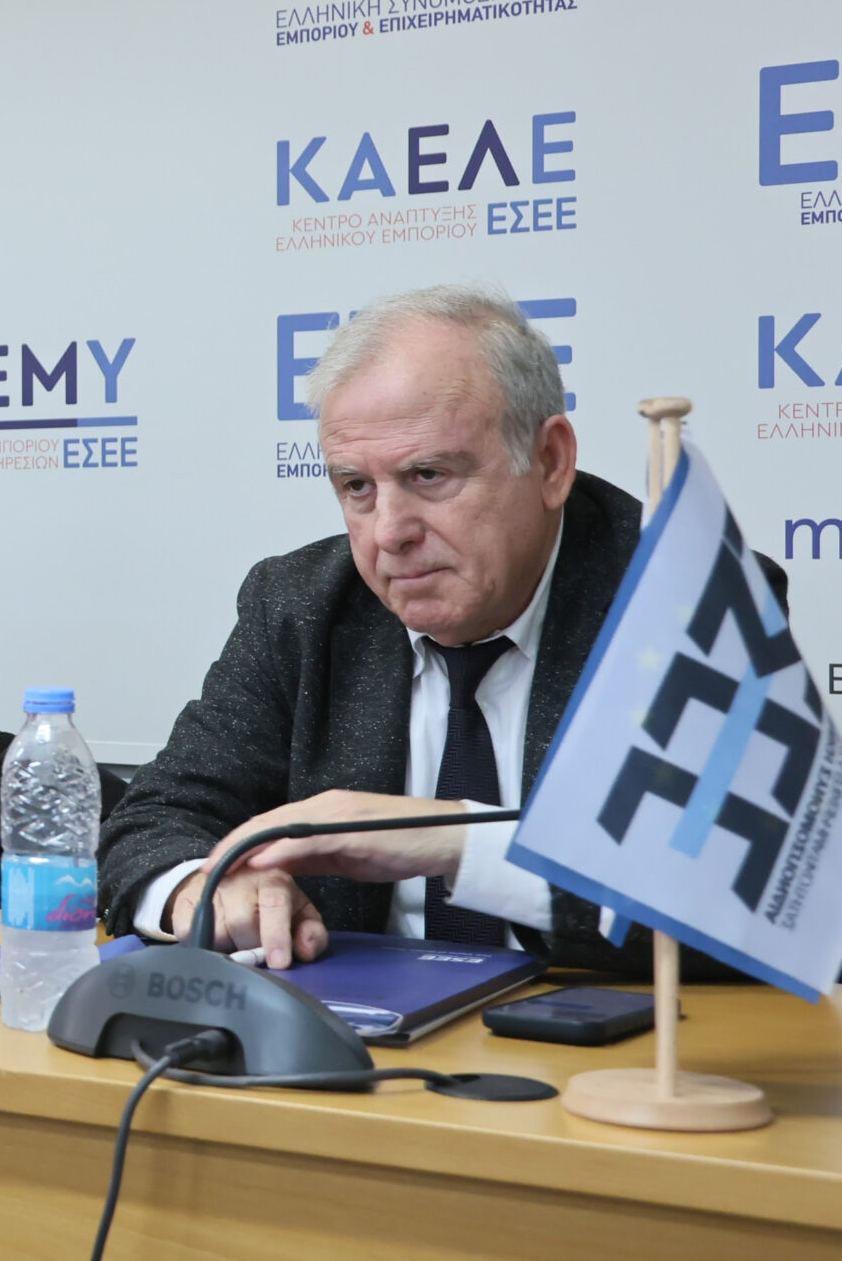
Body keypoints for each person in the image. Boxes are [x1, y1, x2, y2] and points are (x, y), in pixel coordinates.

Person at [101, 283, 784, 975]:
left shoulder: (683, 600)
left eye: (428, 475)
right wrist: (200, 890)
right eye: (356, 487)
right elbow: (151, 819)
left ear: (550, 462)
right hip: (355, 1034)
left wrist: (454, 843)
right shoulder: (302, 607)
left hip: (605, 1032)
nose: (388, 532)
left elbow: (744, 896)